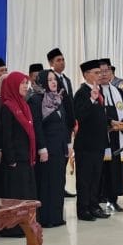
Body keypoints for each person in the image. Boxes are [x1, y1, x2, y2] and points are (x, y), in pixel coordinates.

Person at [0, 71, 36, 237]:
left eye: (26, 83)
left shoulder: (24, 104)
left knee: (25, 193)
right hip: (14, 159)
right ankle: (12, 227)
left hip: (26, 156)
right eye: (22, 83)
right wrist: (11, 158)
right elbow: (6, 135)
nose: (25, 86)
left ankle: (24, 225)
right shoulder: (8, 106)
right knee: (15, 195)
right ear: (13, 85)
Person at [29, 70, 68, 227]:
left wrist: (67, 144)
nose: (53, 82)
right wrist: (42, 147)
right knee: (47, 183)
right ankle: (46, 218)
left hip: (59, 148)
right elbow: (37, 126)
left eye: (55, 79)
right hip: (46, 149)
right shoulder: (36, 100)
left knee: (59, 182)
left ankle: (57, 216)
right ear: (43, 81)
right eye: (50, 79)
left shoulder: (58, 98)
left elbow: (63, 124)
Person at [73, 60, 110, 221]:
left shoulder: (99, 91)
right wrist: (91, 100)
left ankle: (94, 206)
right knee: (85, 178)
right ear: (86, 75)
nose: (100, 75)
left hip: (98, 142)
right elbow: (79, 116)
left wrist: (110, 123)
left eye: (100, 72)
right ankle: (83, 209)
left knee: (96, 177)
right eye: (96, 73)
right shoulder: (81, 93)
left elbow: (98, 115)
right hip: (86, 144)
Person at [98, 60, 123, 211]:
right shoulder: (94, 92)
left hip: (117, 138)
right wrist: (108, 124)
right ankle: (98, 200)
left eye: (107, 71)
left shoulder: (118, 92)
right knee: (102, 169)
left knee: (115, 169)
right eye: (100, 71)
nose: (104, 74)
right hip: (101, 138)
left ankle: (113, 199)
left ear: (111, 73)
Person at [47, 48, 76, 197]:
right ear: (51, 63)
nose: (62, 62)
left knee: (65, 156)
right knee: (57, 159)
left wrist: (73, 121)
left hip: (67, 123)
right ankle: (56, 188)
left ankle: (62, 187)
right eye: (58, 60)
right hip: (56, 124)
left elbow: (70, 102)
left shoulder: (67, 80)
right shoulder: (50, 80)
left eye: (63, 59)